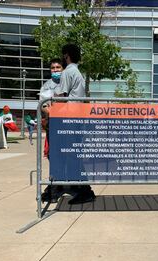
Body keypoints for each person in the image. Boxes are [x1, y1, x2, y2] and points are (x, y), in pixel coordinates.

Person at [55, 43, 96, 205]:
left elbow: (60, 96)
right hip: (76, 117)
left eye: (63, 56)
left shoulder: (68, 73)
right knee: (73, 155)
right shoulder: (78, 73)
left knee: (72, 156)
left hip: (69, 118)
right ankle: (82, 189)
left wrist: (49, 97)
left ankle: (84, 191)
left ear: (66, 56)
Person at [39, 59, 63, 203]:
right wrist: (51, 111)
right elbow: (43, 105)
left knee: (70, 156)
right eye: (53, 68)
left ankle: (79, 187)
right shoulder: (47, 85)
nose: (55, 70)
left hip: (68, 126)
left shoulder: (68, 83)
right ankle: (54, 189)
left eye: (58, 67)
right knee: (53, 157)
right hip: (53, 126)